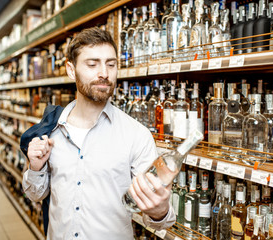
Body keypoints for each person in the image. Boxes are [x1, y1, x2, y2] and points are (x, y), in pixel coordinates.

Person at [22, 27, 175, 239]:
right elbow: (35, 194)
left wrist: (159, 209)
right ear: (71, 70)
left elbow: (160, 221)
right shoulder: (51, 130)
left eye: (111, 64)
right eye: (92, 64)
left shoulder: (136, 135)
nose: (104, 73)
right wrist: (36, 168)